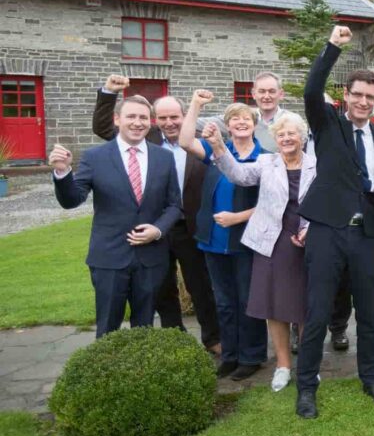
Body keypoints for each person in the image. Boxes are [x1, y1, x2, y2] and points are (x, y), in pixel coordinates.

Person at [295, 26, 374, 419]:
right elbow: (309, 91)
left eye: (369, 97)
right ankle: (307, 387)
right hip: (326, 231)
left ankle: (371, 379)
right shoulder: (328, 125)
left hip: (366, 237)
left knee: (369, 314)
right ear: (346, 97)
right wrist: (332, 48)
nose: (362, 102)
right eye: (356, 95)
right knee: (318, 312)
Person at [92, 76, 220, 353]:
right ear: (154, 120)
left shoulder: (200, 142)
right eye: (162, 118)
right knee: (162, 290)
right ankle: (176, 339)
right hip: (156, 226)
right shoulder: (143, 139)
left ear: (184, 116)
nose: (169, 122)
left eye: (174, 116)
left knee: (201, 286)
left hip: (192, 227)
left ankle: (213, 339)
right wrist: (108, 93)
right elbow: (103, 126)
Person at [49, 95, 182, 337]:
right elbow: (71, 200)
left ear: (150, 122)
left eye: (143, 117)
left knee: (144, 329)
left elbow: (174, 205)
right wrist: (63, 172)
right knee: (108, 327)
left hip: (150, 258)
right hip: (109, 257)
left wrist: (158, 230)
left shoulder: (164, 157)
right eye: (131, 116)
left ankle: (139, 373)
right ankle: (105, 374)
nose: (137, 122)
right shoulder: (95, 157)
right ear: (117, 119)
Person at [204, 112, 316, 393]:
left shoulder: (318, 166)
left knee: (305, 307)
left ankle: (308, 367)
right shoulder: (267, 162)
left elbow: (326, 202)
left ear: (302, 137)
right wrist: (218, 146)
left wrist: (311, 229)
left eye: (292, 133)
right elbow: (239, 175)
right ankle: (282, 366)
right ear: (275, 139)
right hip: (271, 243)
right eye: (281, 134)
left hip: (306, 242)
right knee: (274, 307)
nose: (287, 138)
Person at [180, 92, 266, 380]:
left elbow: (273, 203)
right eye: (234, 119)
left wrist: (237, 217)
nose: (241, 122)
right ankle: (230, 355)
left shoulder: (265, 158)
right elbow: (185, 141)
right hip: (214, 241)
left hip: (246, 241)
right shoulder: (216, 151)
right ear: (227, 126)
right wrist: (195, 105)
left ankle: (251, 356)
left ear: (254, 125)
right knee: (224, 302)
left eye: (246, 118)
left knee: (247, 301)